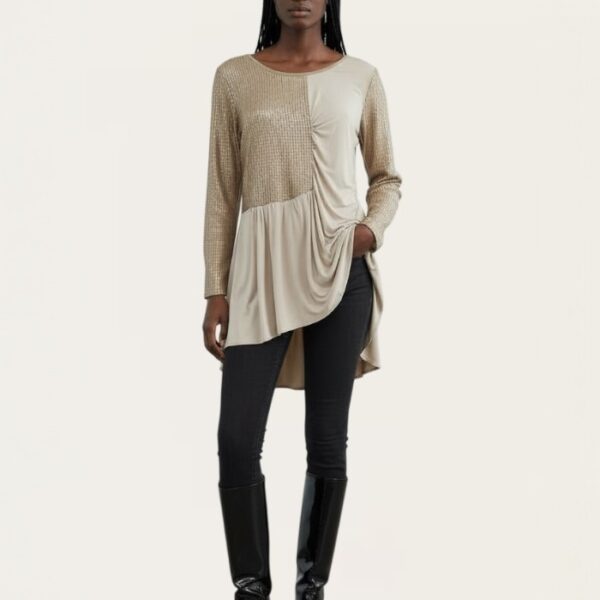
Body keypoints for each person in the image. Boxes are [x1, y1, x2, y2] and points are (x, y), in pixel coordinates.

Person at [202, 1, 402, 598]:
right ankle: (251, 586)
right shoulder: (234, 77)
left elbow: (387, 178)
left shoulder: (360, 76)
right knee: (236, 440)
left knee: (327, 441)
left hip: (341, 271)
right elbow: (222, 190)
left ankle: (311, 587)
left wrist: (368, 231)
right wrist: (216, 287)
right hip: (259, 273)